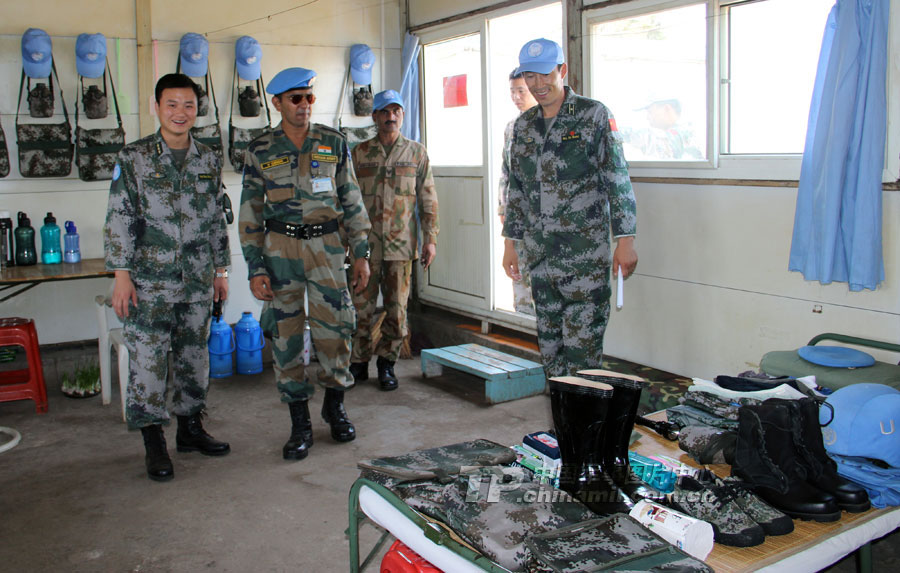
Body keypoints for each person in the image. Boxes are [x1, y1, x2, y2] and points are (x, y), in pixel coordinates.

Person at [238, 67, 371, 461]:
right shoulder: (260, 149)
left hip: (328, 249)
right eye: (295, 98)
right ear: (276, 102)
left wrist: (361, 253)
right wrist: (255, 266)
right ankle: (299, 422)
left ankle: (335, 403)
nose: (304, 106)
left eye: (309, 98)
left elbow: (352, 201)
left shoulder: (333, 142)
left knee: (336, 329)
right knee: (286, 335)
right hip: (281, 252)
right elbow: (250, 213)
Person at [104, 73, 231, 482]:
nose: (181, 113)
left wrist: (221, 270)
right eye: (172, 104)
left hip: (196, 280)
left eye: (189, 105)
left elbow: (216, 219)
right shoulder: (134, 158)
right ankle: (153, 439)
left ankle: (191, 429)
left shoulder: (209, 158)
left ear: (198, 109)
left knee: (195, 358)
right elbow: (119, 218)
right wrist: (121, 275)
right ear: (156, 106)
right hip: (148, 283)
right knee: (149, 363)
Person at [502, 39, 638, 378]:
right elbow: (516, 188)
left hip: (584, 261)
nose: (537, 84)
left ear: (562, 70)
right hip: (540, 259)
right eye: (529, 76)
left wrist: (625, 240)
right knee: (551, 355)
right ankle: (562, 427)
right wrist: (510, 244)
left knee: (583, 359)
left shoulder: (593, 116)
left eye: (545, 74)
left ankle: (584, 431)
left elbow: (617, 179)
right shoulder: (523, 127)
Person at [349, 90, 439, 391]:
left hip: (401, 247)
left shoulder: (416, 153)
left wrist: (430, 239)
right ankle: (358, 363)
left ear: (402, 115)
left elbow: (428, 198)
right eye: (384, 112)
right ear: (374, 116)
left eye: (396, 111)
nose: (391, 117)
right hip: (365, 248)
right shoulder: (359, 154)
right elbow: (346, 201)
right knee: (360, 308)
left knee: (397, 310)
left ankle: (387, 364)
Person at [499, 68, 538, 316]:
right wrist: (503, 210)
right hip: (517, 221)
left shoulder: (549, 125)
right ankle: (524, 326)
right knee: (519, 279)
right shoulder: (511, 128)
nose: (516, 97)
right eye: (512, 91)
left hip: (545, 223)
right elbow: (506, 173)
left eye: (521, 91)